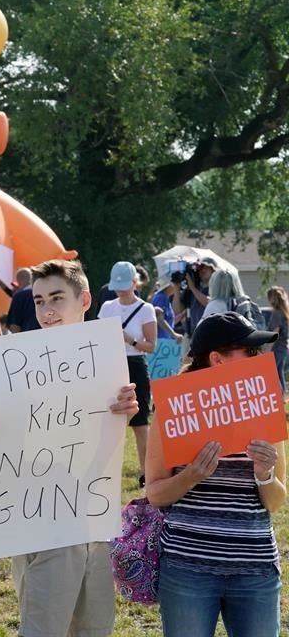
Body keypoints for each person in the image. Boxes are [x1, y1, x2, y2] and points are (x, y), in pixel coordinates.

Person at [0, 259, 140, 637]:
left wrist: (124, 412)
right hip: (42, 520)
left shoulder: (106, 362)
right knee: (44, 626)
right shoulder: (17, 367)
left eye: (56, 298)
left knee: (94, 627)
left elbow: (105, 434)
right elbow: (4, 438)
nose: (46, 310)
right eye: (38, 301)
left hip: (93, 516)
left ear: (84, 300)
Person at [146, 312, 285, 637]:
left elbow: (276, 501)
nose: (259, 358)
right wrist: (191, 475)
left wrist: (265, 473)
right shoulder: (174, 409)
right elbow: (155, 493)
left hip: (255, 567)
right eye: (250, 351)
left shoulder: (264, 406)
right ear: (217, 359)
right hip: (187, 568)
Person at [98, 261, 157, 486]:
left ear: (135, 283)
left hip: (135, 363)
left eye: (124, 286)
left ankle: (146, 473)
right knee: (108, 421)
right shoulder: (107, 307)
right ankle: (102, 473)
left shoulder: (146, 309)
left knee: (140, 423)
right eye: (117, 287)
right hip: (111, 363)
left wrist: (130, 340)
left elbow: (151, 346)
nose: (120, 291)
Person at [173, 257, 215, 335]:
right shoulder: (192, 289)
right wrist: (176, 290)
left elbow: (210, 304)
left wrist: (193, 288)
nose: (202, 270)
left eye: (206, 267)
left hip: (208, 332)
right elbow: (177, 311)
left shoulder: (216, 288)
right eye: (200, 267)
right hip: (193, 333)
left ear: (213, 270)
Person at [266, 286, 288, 395]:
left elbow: (275, 332)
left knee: (273, 372)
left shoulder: (277, 313)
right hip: (283, 348)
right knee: (279, 372)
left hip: (276, 348)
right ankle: (282, 394)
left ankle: (279, 394)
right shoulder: (284, 312)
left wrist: (268, 349)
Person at [151, 278, 184, 343]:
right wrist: (174, 335)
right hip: (160, 342)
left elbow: (168, 321)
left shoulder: (164, 298)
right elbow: (160, 320)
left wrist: (182, 315)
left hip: (164, 341)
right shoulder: (161, 298)